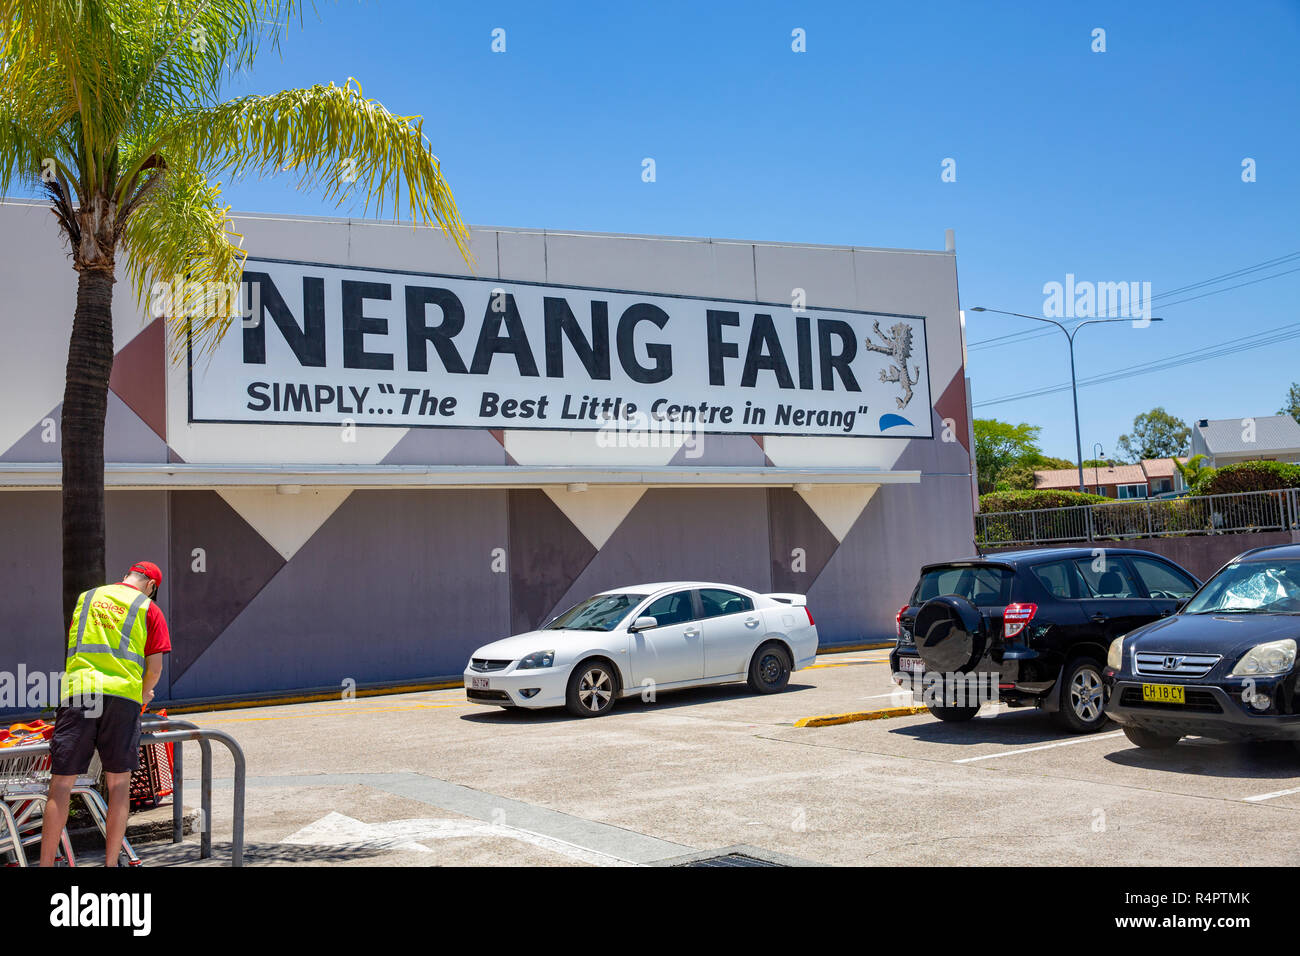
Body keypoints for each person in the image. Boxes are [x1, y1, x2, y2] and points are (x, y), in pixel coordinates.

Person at [40, 561, 171, 866]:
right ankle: (111, 864)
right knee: (118, 785)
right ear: (151, 586)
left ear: (127, 575)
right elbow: (155, 669)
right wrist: (143, 694)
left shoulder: (87, 597)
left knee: (60, 784)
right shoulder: (148, 608)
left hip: (80, 692)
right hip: (123, 699)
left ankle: (45, 864)